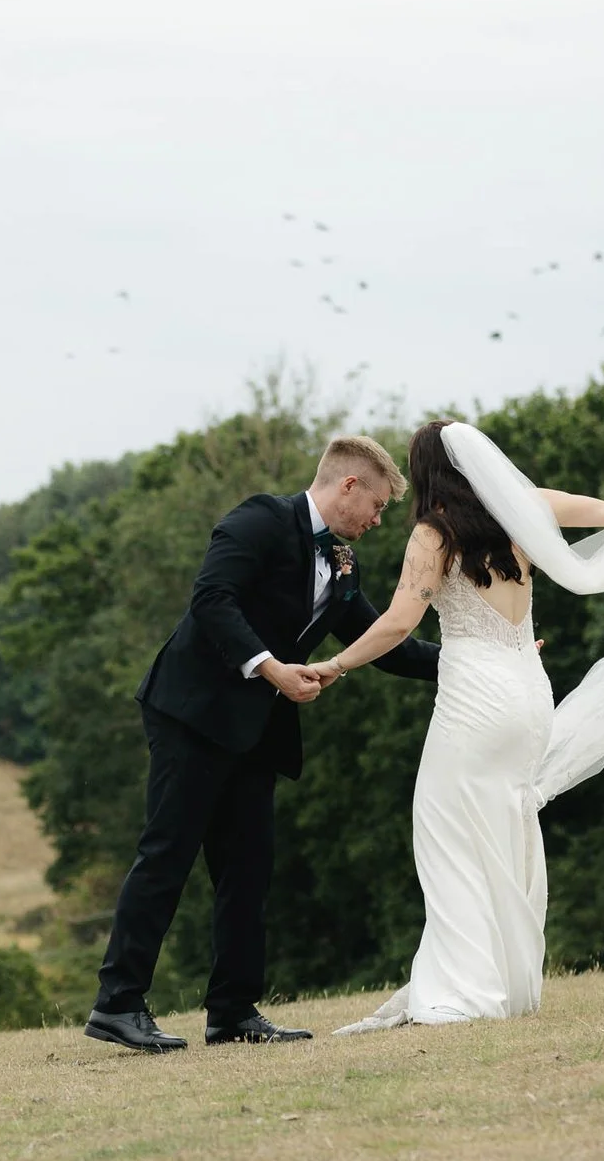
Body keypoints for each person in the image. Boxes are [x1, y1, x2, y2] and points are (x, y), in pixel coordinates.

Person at [311, 420, 604, 1030]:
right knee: (506, 823)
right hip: (530, 692)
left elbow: (400, 622)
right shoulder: (529, 508)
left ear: (427, 473)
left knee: (446, 828)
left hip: (475, 696)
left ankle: (465, 987)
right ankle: (506, 980)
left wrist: (336, 663)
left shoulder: (434, 534)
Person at [83, 435, 439, 1053]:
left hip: (255, 733)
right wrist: (269, 667)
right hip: (192, 714)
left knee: (248, 870)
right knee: (167, 855)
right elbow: (211, 601)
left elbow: (389, 642)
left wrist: (474, 659)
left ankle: (233, 1012)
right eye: (377, 506)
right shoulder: (258, 519)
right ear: (347, 486)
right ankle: (117, 1004)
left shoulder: (344, 562)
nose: (379, 521)